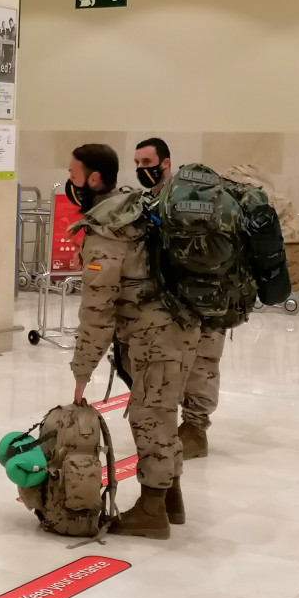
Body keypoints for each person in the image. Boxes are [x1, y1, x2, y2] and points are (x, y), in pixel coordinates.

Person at [68, 143, 200, 539]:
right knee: (163, 412)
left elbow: (97, 310)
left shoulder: (107, 228)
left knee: (150, 416)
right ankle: (171, 497)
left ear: (93, 179)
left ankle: (151, 510)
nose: (69, 184)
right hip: (183, 326)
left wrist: (81, 373)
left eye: (73, 176)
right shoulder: (136, 206)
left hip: (155, 335)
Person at [134, 137, 221, 460]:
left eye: (147, 163)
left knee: (202, 363)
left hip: (205, 296)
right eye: (138, 164)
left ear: (165, 163)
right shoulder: (151, 202)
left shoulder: (184, 200)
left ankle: (197, 430)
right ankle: (176, 424)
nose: (141, 169)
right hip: (171, 299)